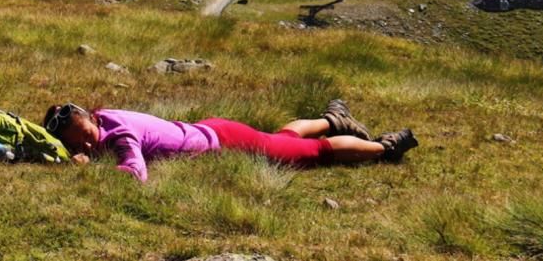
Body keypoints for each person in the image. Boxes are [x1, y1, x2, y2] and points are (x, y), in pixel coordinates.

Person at [43, 99, 416, 182]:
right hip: (211, 130)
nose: (89, 146)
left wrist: (89, 172)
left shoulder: (120, 133)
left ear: (93, 120)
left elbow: (135, 173)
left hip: (223, 142)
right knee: (280, 139)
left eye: (88, 137)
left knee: (308, 154)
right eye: (79, 145)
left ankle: (386, 147)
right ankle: (332, 118)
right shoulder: (107, 115)